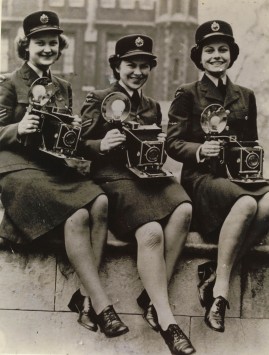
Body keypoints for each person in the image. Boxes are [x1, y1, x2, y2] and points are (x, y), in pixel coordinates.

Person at [0, 11, 128, 338]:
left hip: (52, 168)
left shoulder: (63, 87)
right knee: (76, 215)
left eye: (52, 43)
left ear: (60, 47)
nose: (46, 49)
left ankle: (84, 300)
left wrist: (99, 143)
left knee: (98, 202)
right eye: (39, 43)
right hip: (18, 169)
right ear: (25, 46)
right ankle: (102, 306)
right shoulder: (9, 83)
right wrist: (17, 127)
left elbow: (69, 143)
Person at [79, 34, 195, 355]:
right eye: (131, 64)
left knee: (184, 208)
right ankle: (167, 320)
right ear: (117, 66)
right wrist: (101, 145)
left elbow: (153, 148)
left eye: (144, 66)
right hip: (112, 180)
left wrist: (155, 154)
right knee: (152, 231)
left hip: (146, 179)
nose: (138, 72)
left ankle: (149, 298)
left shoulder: (151, 106)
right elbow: (77, 143)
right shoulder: (98, 98)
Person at [167, 20, 269, 333]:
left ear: (231, 54)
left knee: (267, 203)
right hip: (202, 180)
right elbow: (172, 141)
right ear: (199, 56)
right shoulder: (187, 93)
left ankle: (215, 272)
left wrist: (251, 161)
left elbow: (251, 141)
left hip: (236, 178)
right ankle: (221, 294)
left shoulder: (245, 95)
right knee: (248, 205)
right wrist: (200, 150)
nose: (216, 55)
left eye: (222, 49)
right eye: (209, 50)